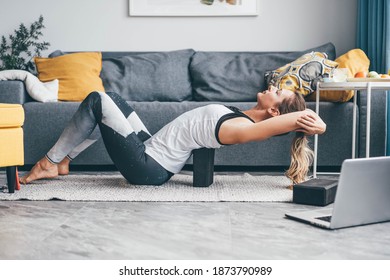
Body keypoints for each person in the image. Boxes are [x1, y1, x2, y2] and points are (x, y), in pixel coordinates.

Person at [20, 86, 326, 186]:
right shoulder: (240, 115)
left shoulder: (242, 129)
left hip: (147, 167)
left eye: (278, 92)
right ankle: (64, 161)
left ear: (275, 114)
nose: (272, 87)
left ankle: (51, 161)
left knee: (99, 99)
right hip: (149, 149)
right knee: (111, 99)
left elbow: (292, 121)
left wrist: (320, 126)